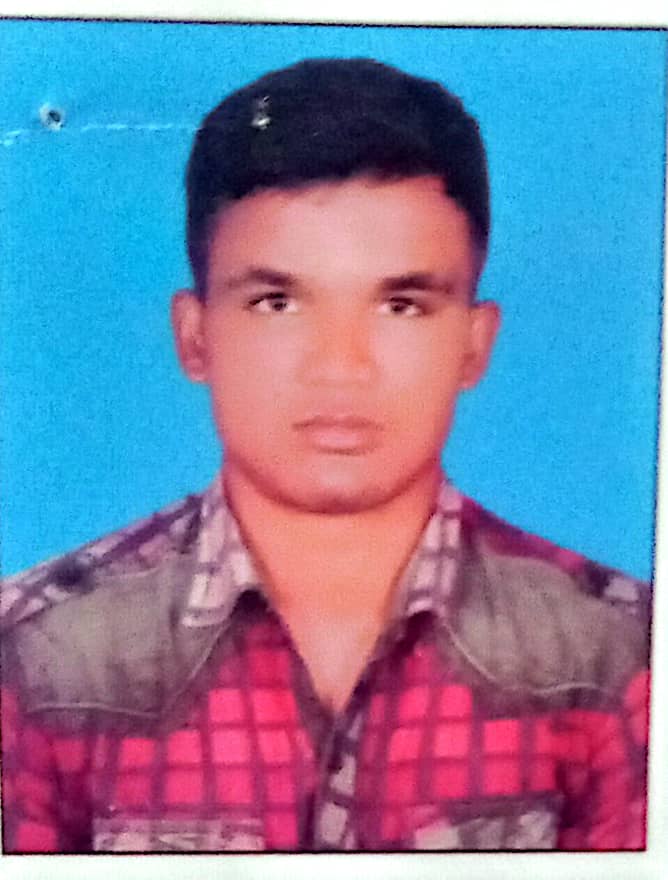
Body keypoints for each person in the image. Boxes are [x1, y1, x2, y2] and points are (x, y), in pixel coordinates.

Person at [0, 57, 650, 853]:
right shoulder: (40, 659)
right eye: (277, 302)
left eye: (401, 304)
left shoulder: (619, 657)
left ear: (475, 345)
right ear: (194, 336)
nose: (341, 367)